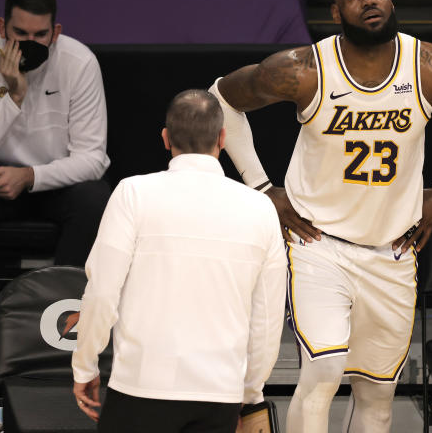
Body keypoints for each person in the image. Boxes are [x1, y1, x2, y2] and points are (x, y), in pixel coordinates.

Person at [209, 0, 432, 433]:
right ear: (335, 12)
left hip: (393, 251)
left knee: (378, 396)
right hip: (318, 245)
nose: (369, 0)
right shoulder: (302, 69)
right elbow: (219, 98)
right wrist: (263, 187)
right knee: (323, 372)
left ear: (390, 1)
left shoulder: (429, 66)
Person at [72, 89, 286, 433]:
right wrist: (249, 391)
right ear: (222, 138)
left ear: (165, 138)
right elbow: (268, 317)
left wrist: (85, 366)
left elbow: (101, 292)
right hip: (220, 393)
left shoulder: (132, 193)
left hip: (140, 385)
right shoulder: (260, 207)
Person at [0, 0, 111, 385]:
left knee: (95, 198)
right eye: (20, 35)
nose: (30, 43)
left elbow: (93, 158)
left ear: (56, 32)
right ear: (3, 28)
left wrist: (32, 177)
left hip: (52, 183)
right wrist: (12, 98)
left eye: (40, 35)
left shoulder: (79, 62)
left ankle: (54, 324)